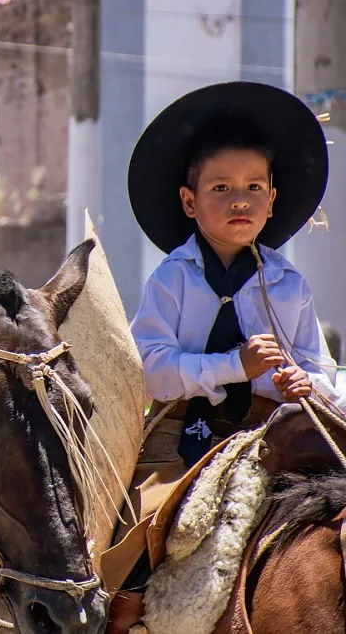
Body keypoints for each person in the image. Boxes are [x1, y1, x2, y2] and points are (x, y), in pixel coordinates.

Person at [105, 81, 339, 632]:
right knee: (142, 519)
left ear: (272, 200)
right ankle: (124, 611)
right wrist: (234, 366)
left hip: (267, 433)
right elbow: (151, 368)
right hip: (184, 430)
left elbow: (321, 371)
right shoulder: (172, 279)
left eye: (255, 186)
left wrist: (303, 386)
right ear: (189, 202)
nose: (240, 200)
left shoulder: (289, 285)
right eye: (221, 187)